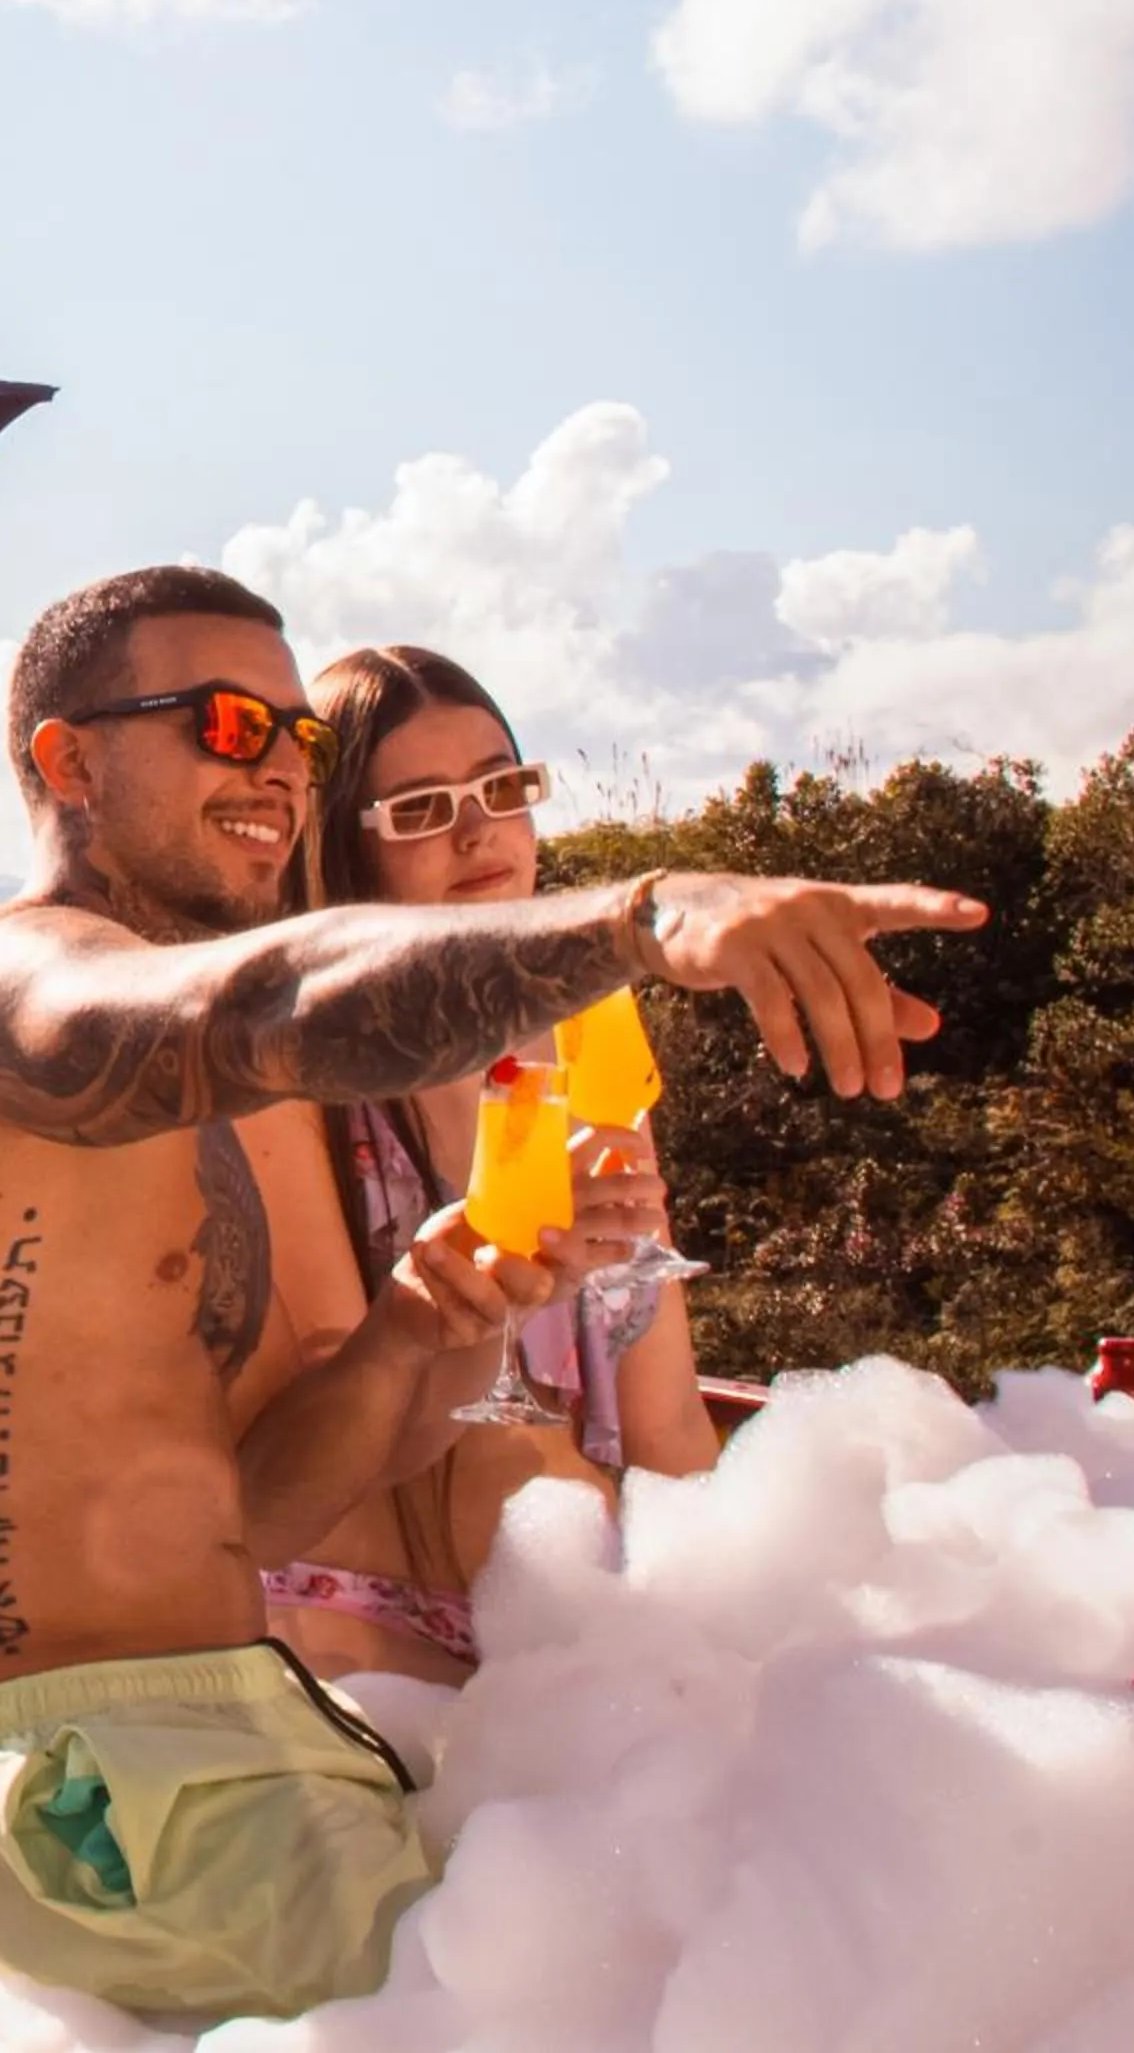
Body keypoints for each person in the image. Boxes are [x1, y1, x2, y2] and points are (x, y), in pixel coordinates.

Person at [0, 564, 980, 2024]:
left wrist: (424, 1327)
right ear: (68, 762)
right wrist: (643, 918)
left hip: (205, 1759)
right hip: (117, 1790)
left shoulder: (156, 1124)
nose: (276, 770)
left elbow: (255, 1517)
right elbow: (265, 1002)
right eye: (226, 724)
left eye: (297, 739)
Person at [231, 645, 720, 1692]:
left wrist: (740, 1634)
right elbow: (326, 1458)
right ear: (340, 846)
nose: (477, 832)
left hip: (574, 1624)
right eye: (419, 811)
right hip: (373, 1635)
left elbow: (668, 1418)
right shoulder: (301, 1088)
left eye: (503, 790)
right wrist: (499, 1278)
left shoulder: (587, 1039)